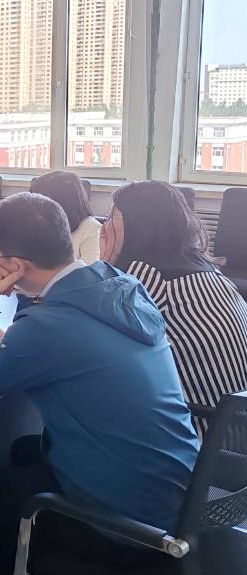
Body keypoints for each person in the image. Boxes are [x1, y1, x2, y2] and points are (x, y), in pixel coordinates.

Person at [0, 192, 199, 575]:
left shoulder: (48, 328)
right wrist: (26, 292)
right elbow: (39, 328)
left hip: (126, 527)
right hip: (180, 498)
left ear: (15, 266)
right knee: (22, 450)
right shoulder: (120, 284)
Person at [101, 180, 247, 434]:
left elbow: (94, 349)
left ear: (137, 226)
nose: (103, 227)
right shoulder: (207, 270)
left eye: (110, 217)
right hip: (231, 436)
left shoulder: (146, 279)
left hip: (195, 435)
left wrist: (104, 265)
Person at [30, 171, 100, 263]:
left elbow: (90, 269)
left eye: (39, 202)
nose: (32, 207)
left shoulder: (91, 228)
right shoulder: (38, 223)